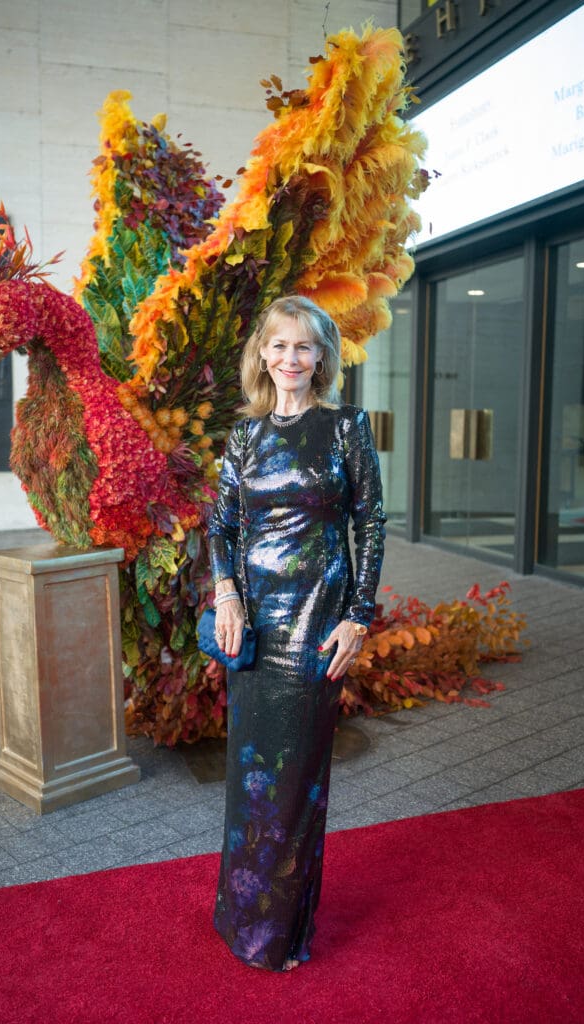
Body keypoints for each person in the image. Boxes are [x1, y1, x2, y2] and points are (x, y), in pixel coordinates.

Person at [207, 295, 386, 972]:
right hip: (250, 628)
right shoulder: (243, 437)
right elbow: (220, 526)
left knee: (297, 782)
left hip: (316, 627)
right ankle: (238, 918)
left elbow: (370, 522)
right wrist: (225, 594)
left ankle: (279, 935)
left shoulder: (345, 427)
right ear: (262, 354)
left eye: (304, 347)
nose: (290, 358)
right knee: (248, 778)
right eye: (278, 345)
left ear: (322, 358)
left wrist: (359, 614)